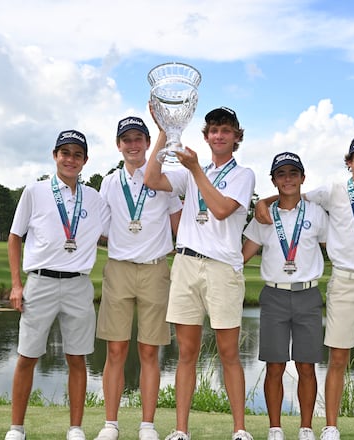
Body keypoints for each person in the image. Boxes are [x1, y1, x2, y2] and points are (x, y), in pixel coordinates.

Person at [255, 135, 354, 440]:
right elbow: (292, 193)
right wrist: (263, 202)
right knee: (338, 358)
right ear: (349, 162)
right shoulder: (333, 192)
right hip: (345, 283)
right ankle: (331, 427)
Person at [144, 106, 256, 440]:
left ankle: (239, 430)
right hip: (186, 264)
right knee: (186, 353)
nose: (219, 135)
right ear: (206, 137)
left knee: (229, 353)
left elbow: (220, 210)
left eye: (226, 130)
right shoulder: (194, 172)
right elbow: (151, 178)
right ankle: (181, 430)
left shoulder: (243, 174)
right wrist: (164, 131)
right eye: (214, 130)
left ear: (236, 137)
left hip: (222, 268)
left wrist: (194, 169)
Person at [5, 130, 110, 440]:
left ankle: (75, 428)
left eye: (77, 155)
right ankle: (16, 428)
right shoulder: (34, 191)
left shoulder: (94, 197)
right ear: (55, 156)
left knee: (77, 358)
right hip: (40, 283)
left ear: (85, 160)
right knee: (27, 356)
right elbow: (14, 237)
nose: (70, 160)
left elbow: (116, 231)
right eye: (65, 153)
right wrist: (16, 285)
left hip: (78, 285)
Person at [93, 116, 183, 440]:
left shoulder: (164, 179)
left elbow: (180, 226)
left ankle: (147, 425)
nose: (132, 145)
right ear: (118, 145)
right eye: (126, 139)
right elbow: (100, 227)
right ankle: (110, 424)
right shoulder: (109, 182)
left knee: (149, 352)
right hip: (118, 269)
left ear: (147, 143)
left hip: (155, 270)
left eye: (138, 139)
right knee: (115, 350)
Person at [242, 152, 328, 440]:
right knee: (275, 365)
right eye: (281, 174)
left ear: (303, 177)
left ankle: (306, 428)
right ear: (273, 180)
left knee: (306, 365)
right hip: (274, 296)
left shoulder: (316, 213)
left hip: (308, 295)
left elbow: (336, 247)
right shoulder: (264, 216)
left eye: (293, 173)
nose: (288, 179)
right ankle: (275, 429)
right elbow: (243, 255)